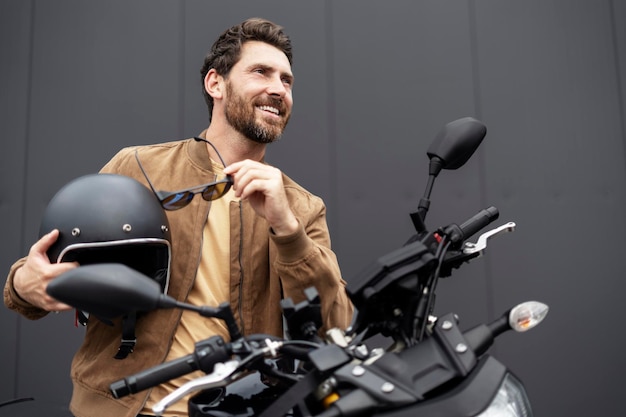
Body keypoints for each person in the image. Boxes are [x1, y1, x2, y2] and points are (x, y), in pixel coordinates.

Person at [3, 17, 354, 417]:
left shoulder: (302, 207)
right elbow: (42, 269)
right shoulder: (138, 166)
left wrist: (287, 229)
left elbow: (335, 326)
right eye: (261, 72)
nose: (278, 88)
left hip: (238, 410)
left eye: (287, 80)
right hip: (122, 408)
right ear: (215, 84)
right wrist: (23, 283)